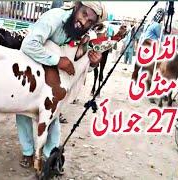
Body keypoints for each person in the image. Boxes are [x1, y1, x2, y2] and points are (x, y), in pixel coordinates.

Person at [17, 1, 106, 168]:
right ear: (77, 6)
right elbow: (29, 45)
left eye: (90, 22)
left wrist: (93, 63)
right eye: (84, 14)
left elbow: (77, 66)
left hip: (53, 79)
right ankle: (28, 152)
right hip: (31, 69)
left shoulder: (83, 33)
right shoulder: (54, 17)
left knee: (53, 115)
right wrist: (58, 60)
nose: (84, 22)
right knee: (23, 109)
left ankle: (50, 154)